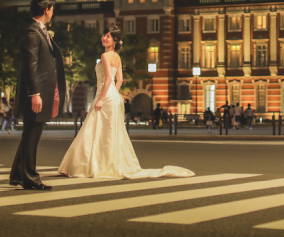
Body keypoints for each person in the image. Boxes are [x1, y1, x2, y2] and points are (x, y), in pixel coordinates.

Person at [58, 26, 193, 179]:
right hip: (113, 96)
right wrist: (113, 93)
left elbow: (109, 78)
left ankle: (88, 165)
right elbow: (120, 80)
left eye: (108, 36)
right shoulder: (117, 57)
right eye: (104, 35)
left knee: (94, 130)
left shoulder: (105, 56)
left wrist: (102, 98)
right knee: (111, 132)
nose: (104, 38)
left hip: (105, 95)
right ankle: (106, 163)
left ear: (115, 40)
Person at [9, 0, 67, 191]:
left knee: (30, 134)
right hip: (37, 93)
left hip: (41, 92)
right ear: (46, 10)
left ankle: (19, 174)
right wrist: (35, 94)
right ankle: (30, 178)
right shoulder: (32, 34)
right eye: (52, 9)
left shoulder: (39, 31)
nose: (53, 12)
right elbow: (30, 66)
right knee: (32, 134)